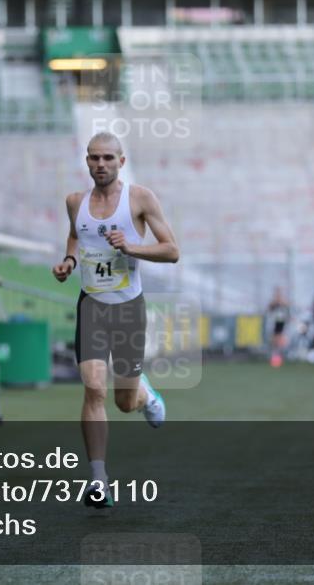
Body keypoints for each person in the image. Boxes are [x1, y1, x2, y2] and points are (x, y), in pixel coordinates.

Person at [51, 132, 179, 509]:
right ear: (86, 161)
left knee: (124, 401)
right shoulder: (75, 202)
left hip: (128, 309)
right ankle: (98, 481)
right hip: (91, 306)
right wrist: (69, 262)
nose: (100, 164)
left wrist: (132, 246)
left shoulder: (139, 198)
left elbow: (172, 251)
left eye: (108, 158)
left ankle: (146, 394)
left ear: (121, 162)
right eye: (93, 158)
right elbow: (76, 236)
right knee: (93, 389)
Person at [267, 287, 290, 367]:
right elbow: (270, 308)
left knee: (280, 339)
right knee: (274, 340)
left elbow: (287, 306)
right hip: (275, 322)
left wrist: (281, 302)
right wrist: (276, 302)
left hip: (281, 322)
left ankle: (279, 357)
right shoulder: (273, 303)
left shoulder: (283, 302)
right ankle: (274, 357)